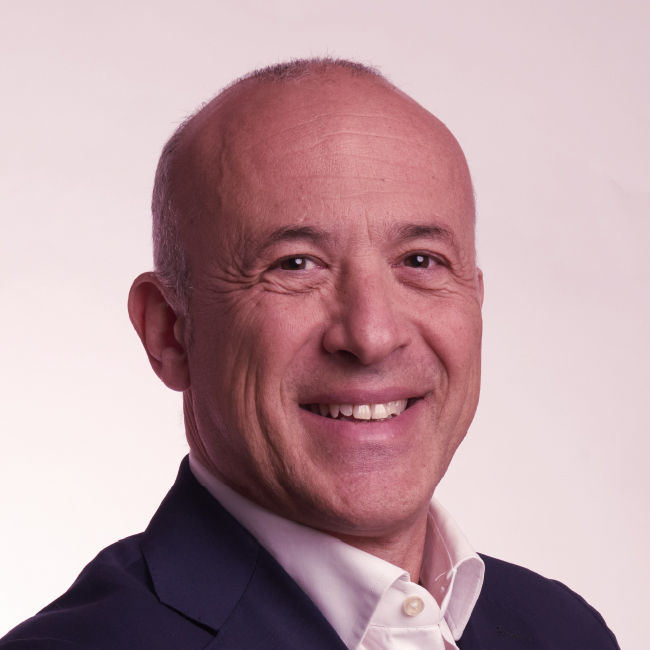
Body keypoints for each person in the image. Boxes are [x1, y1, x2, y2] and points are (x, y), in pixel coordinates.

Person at [0, 58, 620, 650]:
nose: (372, 335)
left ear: (475, 301)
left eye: (420, 260)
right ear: (169, 331)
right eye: (295, 264)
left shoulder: (564, 633)